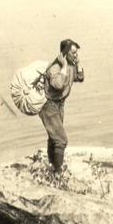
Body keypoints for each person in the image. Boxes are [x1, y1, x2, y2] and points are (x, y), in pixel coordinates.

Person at [38, 39, 84, 175]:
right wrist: (63, 66)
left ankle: (52, 167)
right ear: (64, 53)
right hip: (48, 106)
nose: (75, 55)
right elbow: (58, 85)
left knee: (54, 137)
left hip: (59, 105)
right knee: (61, 139)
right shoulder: (55, 68)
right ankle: (58, 173)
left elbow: (80, 77)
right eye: (73, 53)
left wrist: (78, 63)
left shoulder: (70, 65)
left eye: (76, 53)